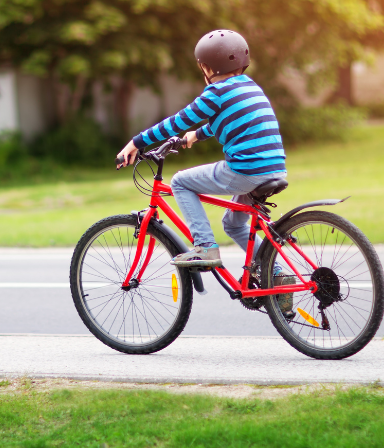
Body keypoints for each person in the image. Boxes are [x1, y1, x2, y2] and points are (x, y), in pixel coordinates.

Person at [115, 30, 294, 315]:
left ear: (208, 67)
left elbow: (177, 121)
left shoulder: (216, 91)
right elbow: (227, 121)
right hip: (272, 166)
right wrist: (195, 136)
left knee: (181, 182)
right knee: (234, 224)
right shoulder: (248, 86)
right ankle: (279, 272)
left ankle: (205, 248)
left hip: (245, 170)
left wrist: (136, 142)